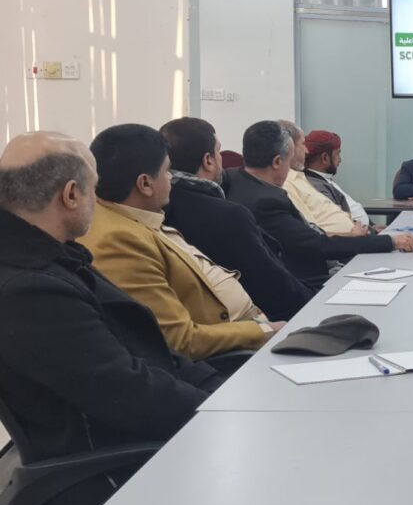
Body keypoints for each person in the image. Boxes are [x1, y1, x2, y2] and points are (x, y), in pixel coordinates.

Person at [0, 131, 222, 464]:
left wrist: (223, 389)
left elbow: (149, 349)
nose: (98, 202)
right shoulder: (29, 291)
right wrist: (222, 412)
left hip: (157, 435)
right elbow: (130, 394)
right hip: (124, 467)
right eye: (93, 189)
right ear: (71, 195)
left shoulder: (56, 257)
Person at [77, 124, 283, 361]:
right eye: (167, 171)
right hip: (233, 355)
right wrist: (263, 331)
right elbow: (179, 340)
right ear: (145, 184)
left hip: (250, 331)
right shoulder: (119, 241)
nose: (171, 179)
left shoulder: (137, 216)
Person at [224, 120, 413, 287]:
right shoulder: (267, 201)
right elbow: (316, 244)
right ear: (277, 162)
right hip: (313, 282)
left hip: (330, 259)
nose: (306, 150)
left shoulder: (237, 180)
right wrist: (390, 242)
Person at [161, 116, 316, 320]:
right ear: (208, 160)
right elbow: (276, 285)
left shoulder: (159, 210)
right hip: (262, 322)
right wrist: (319, 302)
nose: (222, 159)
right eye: (218, 151)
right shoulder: (228, 216)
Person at [279, 120, 361, 235]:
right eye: (303, 144)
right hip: (344, 242)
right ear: (290, 147)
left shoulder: (300, 177)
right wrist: (351, 236)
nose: (306, 151)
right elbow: (310, 231)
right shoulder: (286, 183)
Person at [303, 129, 372, 227]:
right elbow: (339, 223)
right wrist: (371, 231)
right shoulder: (316, 186)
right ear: (325, 158)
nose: (340, 160)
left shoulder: (324, 179)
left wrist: (372, 227)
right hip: (356, 234)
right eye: (337, 154)